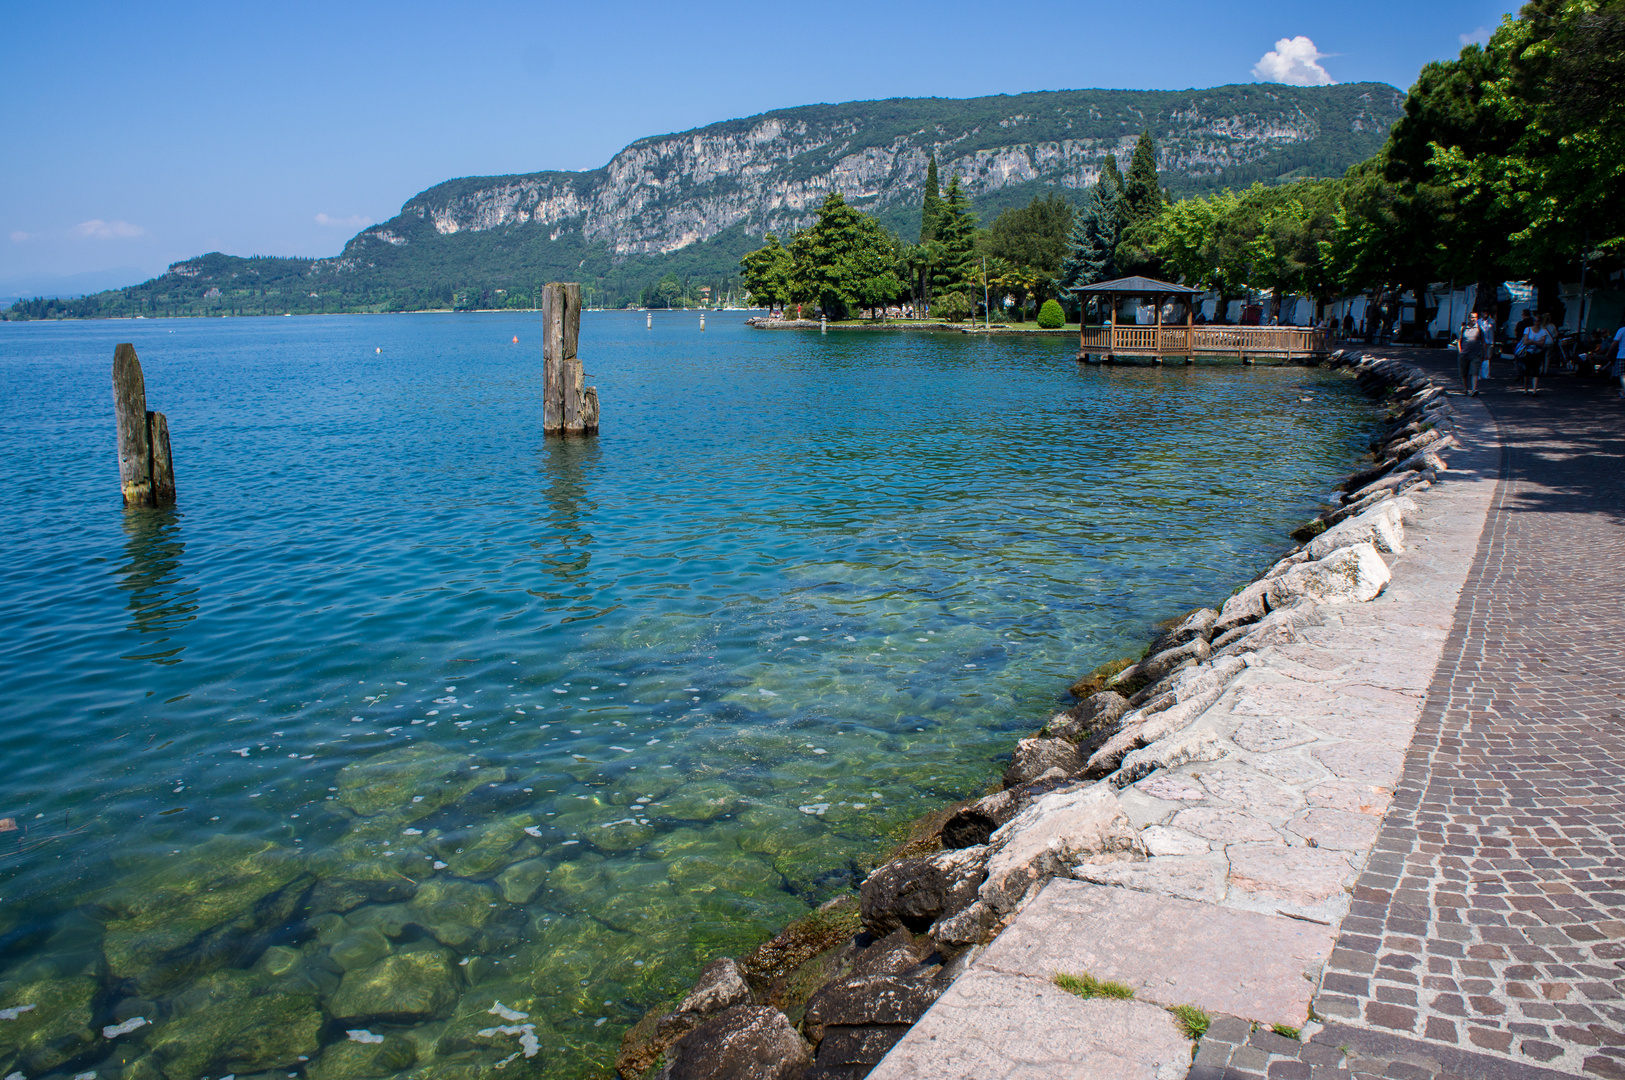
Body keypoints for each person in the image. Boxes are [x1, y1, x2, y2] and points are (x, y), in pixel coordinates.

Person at [1515, 312, 1553, 395]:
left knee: (1536, 371)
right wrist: (1536, 342)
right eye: (1535, 320)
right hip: (1527, 353)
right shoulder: (1528, 329)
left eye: (1538, 321)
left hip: (1538, 353)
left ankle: (1534, 390)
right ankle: (1525, 388)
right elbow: (1525, 342)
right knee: (1527, 371)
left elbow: (1542, 343)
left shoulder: (1543, 331)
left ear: (1541, 322)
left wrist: (1531, 341)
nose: (1537, 322)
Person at [1457, 318, 1487, 396]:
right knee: (1464, 373)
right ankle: (1466, 389)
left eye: (1475, 317)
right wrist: (1460, 351)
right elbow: (1459, 341)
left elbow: (1483, 342)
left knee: (1475, 372)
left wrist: (1485, 353)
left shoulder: (1479, 329)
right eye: (1472, 317)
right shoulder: (1463, 328)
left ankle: (1474, 389)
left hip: (1475, 354)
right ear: (1469, 318)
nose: (1473, 319)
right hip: (1464, 354)